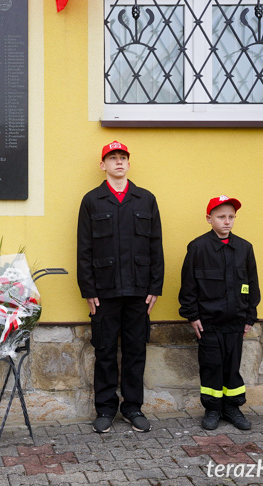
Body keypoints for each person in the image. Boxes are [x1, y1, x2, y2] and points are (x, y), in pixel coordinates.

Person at [77, 141, 164, 433]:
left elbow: (155, 245)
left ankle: (132, 407)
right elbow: (84, 249)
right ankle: (104, 409)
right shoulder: (92, 200)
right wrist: (88, 290)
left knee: (135, 350)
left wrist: (155, 286)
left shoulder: (146, 199)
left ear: (129, 163)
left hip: (139, 291)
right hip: (104, 292)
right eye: (112, 158)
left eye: (122, 157)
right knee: (104, 351)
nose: (118, 162)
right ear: (103, 165)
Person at [178, 196, 260, 431]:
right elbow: (188, 285)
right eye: (221, 217)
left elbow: (252, 284)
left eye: (231, 217)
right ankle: (212, 409)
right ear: (209, 219)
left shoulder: (244, 248)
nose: (227, 222)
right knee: (212, 366)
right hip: (209, 323)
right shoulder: (198, 247)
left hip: (235, 322)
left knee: (232, 367)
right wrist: (192, 315)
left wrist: (249, 316)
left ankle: (232, 408)